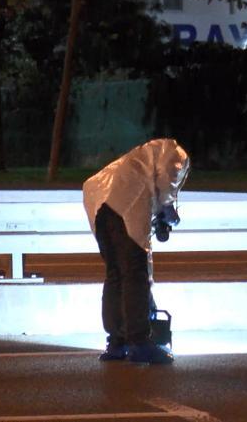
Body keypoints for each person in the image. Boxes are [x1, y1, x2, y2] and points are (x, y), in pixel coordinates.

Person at [82, 138, 190, 364]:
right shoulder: (176, 152)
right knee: (134, 274)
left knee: (115, 274)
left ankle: (117, 342)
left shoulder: (144, 153)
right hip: (125, 199)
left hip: (97, 198)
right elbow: (168, 179)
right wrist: (169, 210)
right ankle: (139, 342)